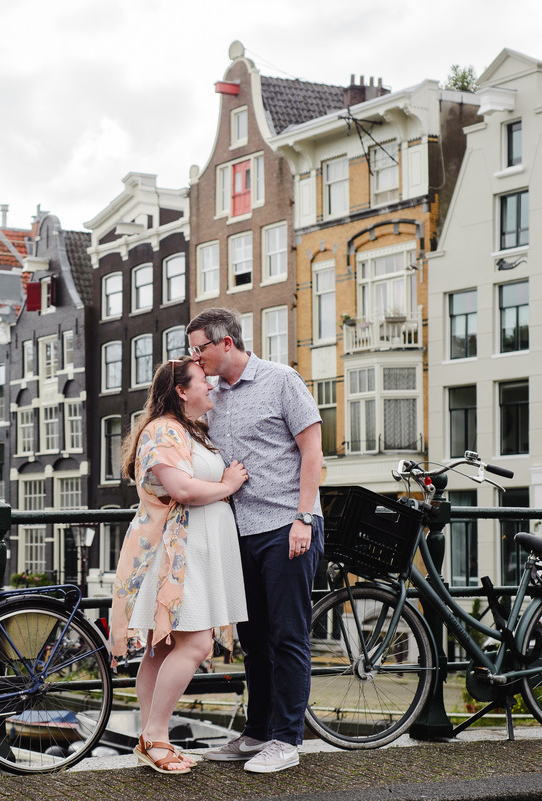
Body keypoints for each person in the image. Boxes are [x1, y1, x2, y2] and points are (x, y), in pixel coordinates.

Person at [186, 307, 324, 775]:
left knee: (288, 635)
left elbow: (312, 451)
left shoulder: (281, 380)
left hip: (286, 525)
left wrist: (304, 518)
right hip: (238, 531)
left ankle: (287, 740)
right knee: (254, 639)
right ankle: (258, 731)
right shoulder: (212, 395)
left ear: (226, 343)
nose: (194, 357)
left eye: (199, 348)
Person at [109, 356, 249, 775]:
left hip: (193, 549)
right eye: (202, 380)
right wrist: (227, 484)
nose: (210, 385)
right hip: (178, 554)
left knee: (165, 645)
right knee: (195, 645)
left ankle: (151, 739)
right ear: (182, 391)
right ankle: (156, 736)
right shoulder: (164, 430)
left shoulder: (187, 431)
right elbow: (181, 488)